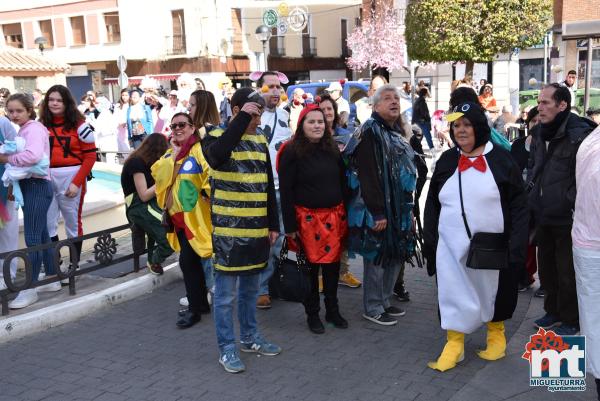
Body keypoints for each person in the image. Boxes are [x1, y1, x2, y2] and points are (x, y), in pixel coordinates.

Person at [423, 102, 528, 372]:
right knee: (452, 293)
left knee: (494, 292)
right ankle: (454, 343)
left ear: (479, 127)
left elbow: (519, 207)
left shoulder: (503, 161)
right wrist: (430, 241)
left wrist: (517, 246)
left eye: (467, 124)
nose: (461, 131)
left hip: (493, 247)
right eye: (456, 125)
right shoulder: (447, 161)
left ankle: (496, 336)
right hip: (450, 247)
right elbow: (432, 204)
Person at [201, 87, 281, 373]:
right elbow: (217, 156)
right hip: (227, 234)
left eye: (260, 114)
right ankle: (227, 349)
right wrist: (240, 120)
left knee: (249, 292)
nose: (258, 120)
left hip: (257, 229)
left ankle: (249, 338)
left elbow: (266, 184)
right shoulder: (213, 137)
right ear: (236, 111)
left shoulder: (260, 138)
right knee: (224, 298)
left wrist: (273, 224)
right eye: (253, 113)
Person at [529, 83, 596, 335]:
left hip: (569, 217)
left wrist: (570, 201)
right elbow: (534, 168)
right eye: (539, 101)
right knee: (547, 270)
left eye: (546, 102)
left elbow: (587, 177)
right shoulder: (539, 133)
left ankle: (571, 319)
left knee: (567, 272)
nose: (540, 106)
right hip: (544, 214)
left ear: (562, 105)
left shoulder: (580, 134)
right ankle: (553, 311)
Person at [278, 104, 349, 334]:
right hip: (306, 222)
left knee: (332, 269)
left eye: (320, 121)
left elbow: (342, 181)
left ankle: (333, 310)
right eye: (312, 122)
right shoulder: (291, 151)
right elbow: (286, 192)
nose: (317, 125)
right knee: (309, 271)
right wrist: (289, 227)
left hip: (333, 218)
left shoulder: (332, 149)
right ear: (302, 125)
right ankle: (312, 314)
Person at [352, 84, 417, 325]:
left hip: (398, 208)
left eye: (396, 98)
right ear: (375, 105)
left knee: (395, 253)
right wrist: (377, 211)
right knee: (378, 256)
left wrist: (407, 210)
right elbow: (368, 173)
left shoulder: (394, 131)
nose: (394, 102)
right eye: (387, 98)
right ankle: (372, 307)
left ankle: (385, 300)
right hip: (379, 209)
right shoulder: (370, 130)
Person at [152, 113, 213, 328]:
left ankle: (195, 308)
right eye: (174, 125)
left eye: (182, 125)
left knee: (188, 262)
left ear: (192, 127)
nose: (178, 128)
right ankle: (199, 305)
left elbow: (209, 176)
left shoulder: (199, 151)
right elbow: (159, 175)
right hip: (177, 219)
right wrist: (175, 155)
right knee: (191, 263)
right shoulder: (172, 153)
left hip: (195, 219)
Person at [2, 94, 56, 309]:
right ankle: (52, 277)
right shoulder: (27, 128)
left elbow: (33, 156)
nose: (14, 115)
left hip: (36, 186)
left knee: (33, 238)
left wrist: (6, 159)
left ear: (29, 110)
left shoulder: (32, 129)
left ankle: (30, 288)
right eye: (10, 111)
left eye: (18, 111)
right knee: (42, 234)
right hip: (35, 187)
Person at [39, 85, 97, 261]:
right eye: (51, 99)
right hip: (46, 176)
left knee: (72, 222)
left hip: (71, 176)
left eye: (59, 100)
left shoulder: (80, 125)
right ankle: (54, 266)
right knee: (48, 224)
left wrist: (76, 182)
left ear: (67, 102)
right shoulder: (40, 125)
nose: (54, 103)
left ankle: (74, 265)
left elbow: (90, 157)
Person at [256, 71, 293, 310]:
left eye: (278, 87)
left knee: (279, 241)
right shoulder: (253, 117)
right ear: (259, 89)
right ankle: (260, 288)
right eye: (270, 87)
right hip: (261, 191)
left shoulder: (285, 115)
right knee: (263, 241)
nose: (276, 91)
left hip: (283, 188)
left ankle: (271, 284)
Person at [318, 94, 361, 289]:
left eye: (330, 109)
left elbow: (354, 161)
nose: (327, 112)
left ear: (335, 113)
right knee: (320, 234)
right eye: (323, 109)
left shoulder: (345, 135)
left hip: (343, 191)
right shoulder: (312, 134)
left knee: (341, 233)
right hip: (319, 194)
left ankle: (343, 272)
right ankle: (319, 274)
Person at [572, 124, 600, 399]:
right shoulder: (590, 143)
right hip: (589, 244)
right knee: (594, 322)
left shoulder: (588, 141)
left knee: (594, 322)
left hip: (587, 244)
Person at [121, 133, 172, 276]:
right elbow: (143, 195)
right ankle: (155, 260)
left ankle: (152, 260)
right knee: (169, 236)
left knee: (161, 234)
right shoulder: (136, 163)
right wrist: (163, 182)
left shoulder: (143, 161)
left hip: (148, 205)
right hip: (138, 207)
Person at [0, 115, 18, 291]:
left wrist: (13, 185)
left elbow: (16, 151)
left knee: (7, 231)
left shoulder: (2, 123)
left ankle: (7, 275)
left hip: (4, 187)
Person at [114, 89, 131, 155]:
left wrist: (126, 123)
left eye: (126, 95)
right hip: (119, 128)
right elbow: (115, 116)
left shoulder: (131, 105)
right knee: (122, 145)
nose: (124, 97)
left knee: (127, 145)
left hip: (128, 127)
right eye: (123, 95)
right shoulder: (117, 105)